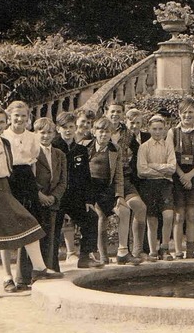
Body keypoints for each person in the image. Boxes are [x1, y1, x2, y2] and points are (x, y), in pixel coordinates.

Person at [0, 106, 63, 298]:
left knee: (28, 222)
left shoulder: (5, 143)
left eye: (1, 121)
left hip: (3, 189)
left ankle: (40, 268)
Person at [52, 112, 103, 269]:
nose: (68, 130)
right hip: (57, 197)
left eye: (71, 127)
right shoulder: (53, 146)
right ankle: (51, 263)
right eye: (64, 127)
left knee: (91, 217)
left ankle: (85, 257)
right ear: (58, 128)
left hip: (76, 198)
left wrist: (88, 200)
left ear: (75, 128)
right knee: (54, 226)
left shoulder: (80, 149)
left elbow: (86, 177)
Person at [0, 100, 42, 291]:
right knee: (7, 230)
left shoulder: (33, 137)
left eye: (24, 116)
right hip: (7, 179)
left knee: (29, 226)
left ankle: (24, 276)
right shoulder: (2, 135)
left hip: (26, 180)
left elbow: (32, 161)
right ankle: (7, 276)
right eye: (16, 115)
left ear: (28, 117)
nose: (20, 119)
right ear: (9, 116)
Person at [166, 98, 194, 259]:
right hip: (177, 177)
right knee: (179, 216)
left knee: (191, 215)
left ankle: (190, 252)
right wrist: (182, 175)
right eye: (184, 112)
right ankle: (178, 251)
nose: (188, 115)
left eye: (191, 112)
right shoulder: (172, 132)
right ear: (179, 114)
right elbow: (171, 157)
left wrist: (190, 176)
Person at [84, 117, 129, 265]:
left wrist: (119, 195)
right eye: (101, 131)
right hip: (90, 188)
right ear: (94, 132)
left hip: (106, 189)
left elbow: (119, 175)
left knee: (124, 211)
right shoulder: (85, 147)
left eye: (107, 132)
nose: (104, 135)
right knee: (100, 217)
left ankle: (123, 251)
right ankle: (102, 255)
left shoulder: (115, 149)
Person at [103, 103, 143, 265]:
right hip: (104, 181)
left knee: (139, 207)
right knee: (105, 214)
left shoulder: (127, 133)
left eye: (118, 112)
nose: (115, 114)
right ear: (106, 113)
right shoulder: (99, 129)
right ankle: (102, 253)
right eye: (112, 111)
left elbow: (138, 152)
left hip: (124, 178)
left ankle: (134, 251)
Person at [137, 115, 176, 262]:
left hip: (165, 184)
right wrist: (161, 170)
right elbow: (141, 170)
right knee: (152, 219)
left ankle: (165, 248)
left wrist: (152, 166)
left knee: (168, 215)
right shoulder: (144, 147)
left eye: (160, 129)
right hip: (149, 185)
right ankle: (153, 250)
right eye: (154, 129)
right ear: (149, 129)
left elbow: (172, 168)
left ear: (165, 130)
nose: (157, 132)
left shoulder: (168, 146)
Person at [33, 118, 68, 272]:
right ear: (35, 134)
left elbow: (63, 180)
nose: (46, 136)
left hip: (53, 201)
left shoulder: (59, 154)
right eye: (42, 132)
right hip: (36, 200)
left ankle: (48, 269)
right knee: (33, 238)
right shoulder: (32, 152)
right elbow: (28, 177)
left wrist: (54, 197)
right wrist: (39, 194)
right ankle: (25, 277)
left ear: (54, 134)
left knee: (50, 237)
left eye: (49, 132)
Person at [124, 108, 152, 261]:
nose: (134, 126)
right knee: (129, 213)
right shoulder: (124, 139)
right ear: (126, 122)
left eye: (137, 123)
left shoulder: (147, 137)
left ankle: (143, 249)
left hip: (145, 180)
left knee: (145, 213)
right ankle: (128, 250)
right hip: (129, 179)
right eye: (132, 123)